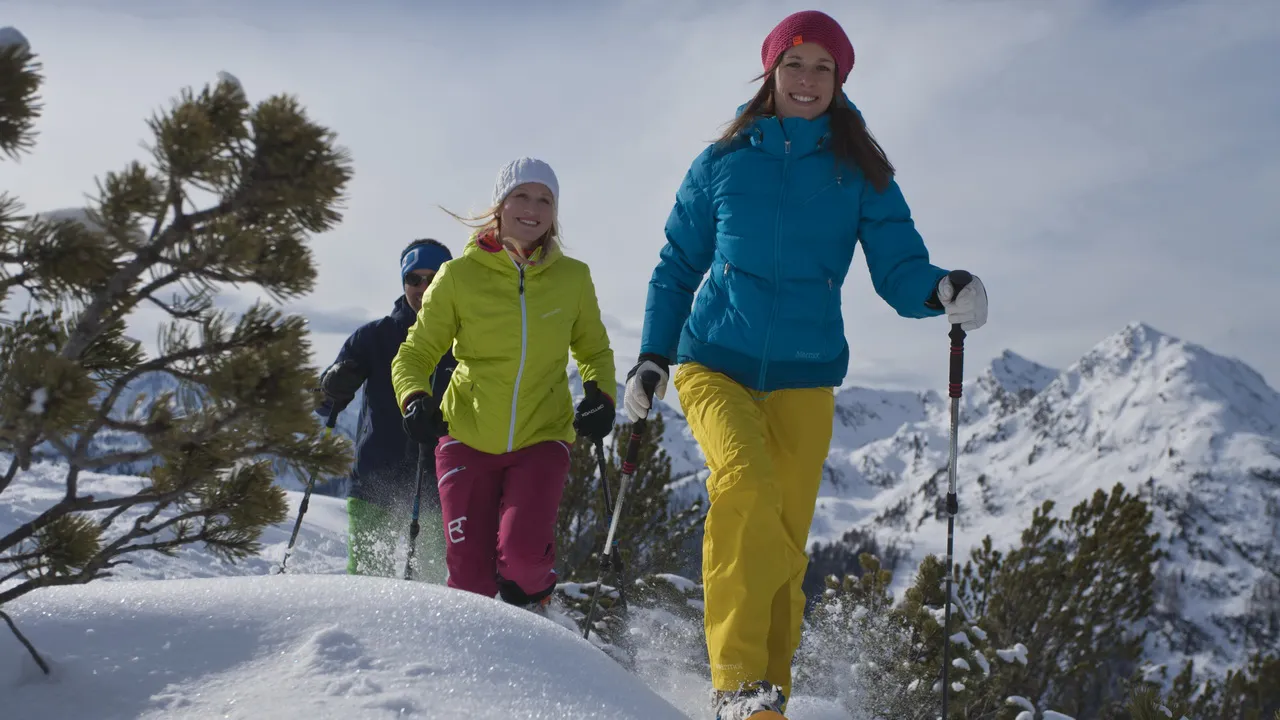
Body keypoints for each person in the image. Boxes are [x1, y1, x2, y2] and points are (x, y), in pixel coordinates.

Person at [622, 10, 990, 720]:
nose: (808, 80)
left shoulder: (859, 171)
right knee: (746, 488)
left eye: (825, 68)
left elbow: (897, 263)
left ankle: (769, 702)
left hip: (806, 373)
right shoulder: (723, 162)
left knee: (785, 545)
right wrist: (652, 358)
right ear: (771, 72)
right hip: (714, 362)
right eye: (796, 64)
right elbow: (676, 266)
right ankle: (732, 681)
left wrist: (941, 288)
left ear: (840, 81)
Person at [390, 157, 617, 613]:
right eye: (521, 196)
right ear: (500, 205)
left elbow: (594, 351)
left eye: (545, 200)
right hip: (466, 437)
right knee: (470, 582)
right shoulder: (458, 277)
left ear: (554, 213)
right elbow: (414, 354)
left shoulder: (573, 279)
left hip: (541, 435)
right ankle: (476, 671)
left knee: (523, 560)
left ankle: (534, 618)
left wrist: (601, 394)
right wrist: (414, 399)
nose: (532, 208)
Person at [317, 238, 458, 581]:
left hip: (442, 492)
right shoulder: (374, 338)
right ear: (403, 283)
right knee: (366, 583)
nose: (423, 288)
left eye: (434, 277)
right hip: (374, 481)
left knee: (434, 588)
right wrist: (332, 385)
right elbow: (325, 405)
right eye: (414, 279)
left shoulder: (466, 342)